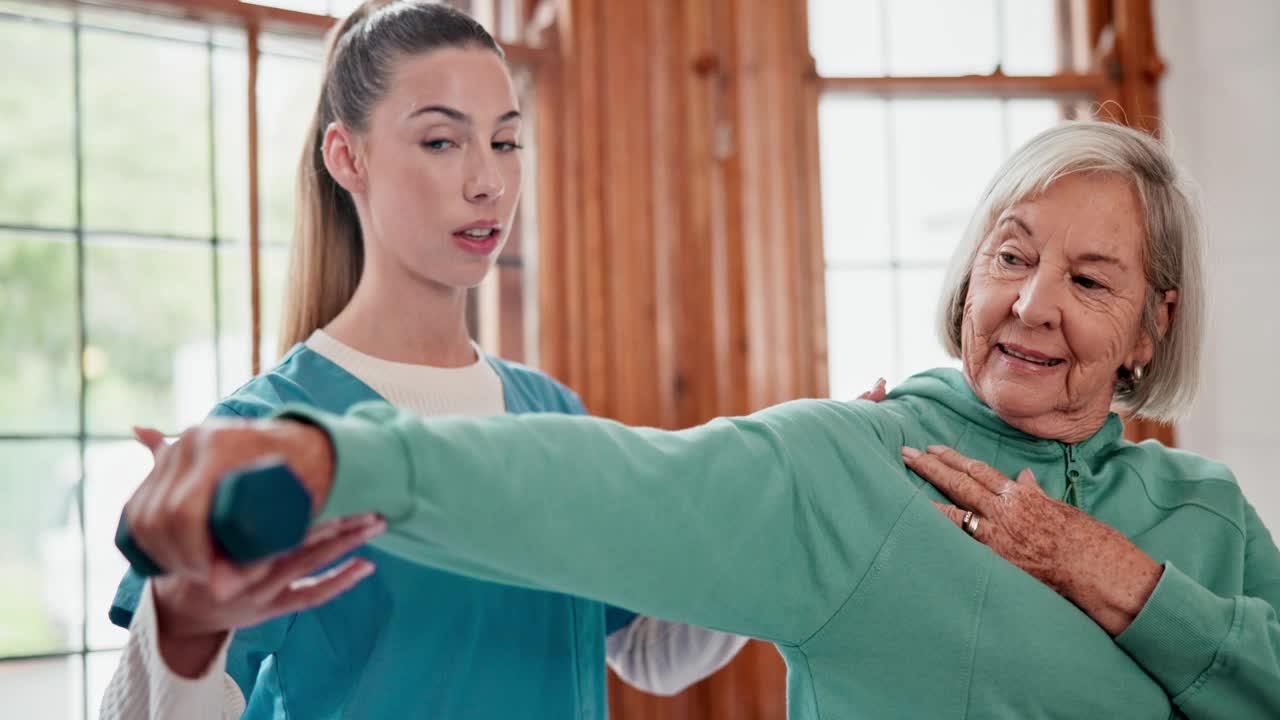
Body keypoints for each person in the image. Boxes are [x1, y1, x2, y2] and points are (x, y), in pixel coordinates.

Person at [116, 122, 1280, 719]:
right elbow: (602, 483)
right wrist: (336, 451)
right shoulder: (871, 463)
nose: (1027, 304)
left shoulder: (1207, 515)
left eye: (1086, 280)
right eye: (1008, 257)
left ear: (1149, 326)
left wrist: (1122, 584)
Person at [99, 2, 747, 718]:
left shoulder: (552, 413)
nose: (488, 182)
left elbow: (649, 650)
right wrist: (186, 630)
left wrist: (807, 487)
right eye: (442, 142)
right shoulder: (268, 433)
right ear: (348, 157)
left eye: (506, 142)